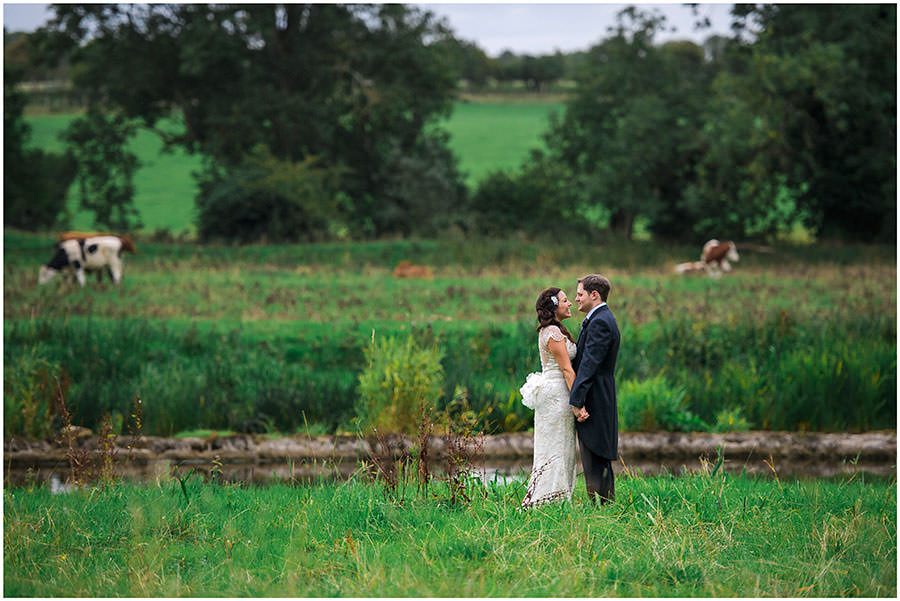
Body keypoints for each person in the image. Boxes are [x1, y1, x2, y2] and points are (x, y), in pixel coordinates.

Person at [519, 287, 578, 507]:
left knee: (558, 445)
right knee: (557, 447)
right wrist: (577, 403)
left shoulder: (553, 330)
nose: (570, 303)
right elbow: (567, 370)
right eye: (565, 300)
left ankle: (554, 497)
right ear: (554, 306)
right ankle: (551, 499)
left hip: (554, 393)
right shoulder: (552, 333)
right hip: (558, 396)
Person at [569, 274, 620, 504]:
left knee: (595, 453)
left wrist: (576, 400)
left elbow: (589, 364)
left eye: (580, 294)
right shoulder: (600, 318)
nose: (576, 298)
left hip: (596, 396)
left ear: (594, 295)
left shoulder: (600, 321)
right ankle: (601, 506)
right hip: (599, 392)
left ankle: (602, 507)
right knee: (594, 454)